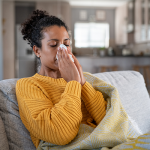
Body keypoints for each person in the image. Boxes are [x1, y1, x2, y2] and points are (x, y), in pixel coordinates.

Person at [16, 9, 107, 148]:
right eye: (53, 45)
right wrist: (73, 84)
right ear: (37, 50)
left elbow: (108, 122)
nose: (62, 50)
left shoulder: (81, 79)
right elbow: (60, 134)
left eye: (66, 44)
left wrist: (82, 83)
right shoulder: (28, 85)